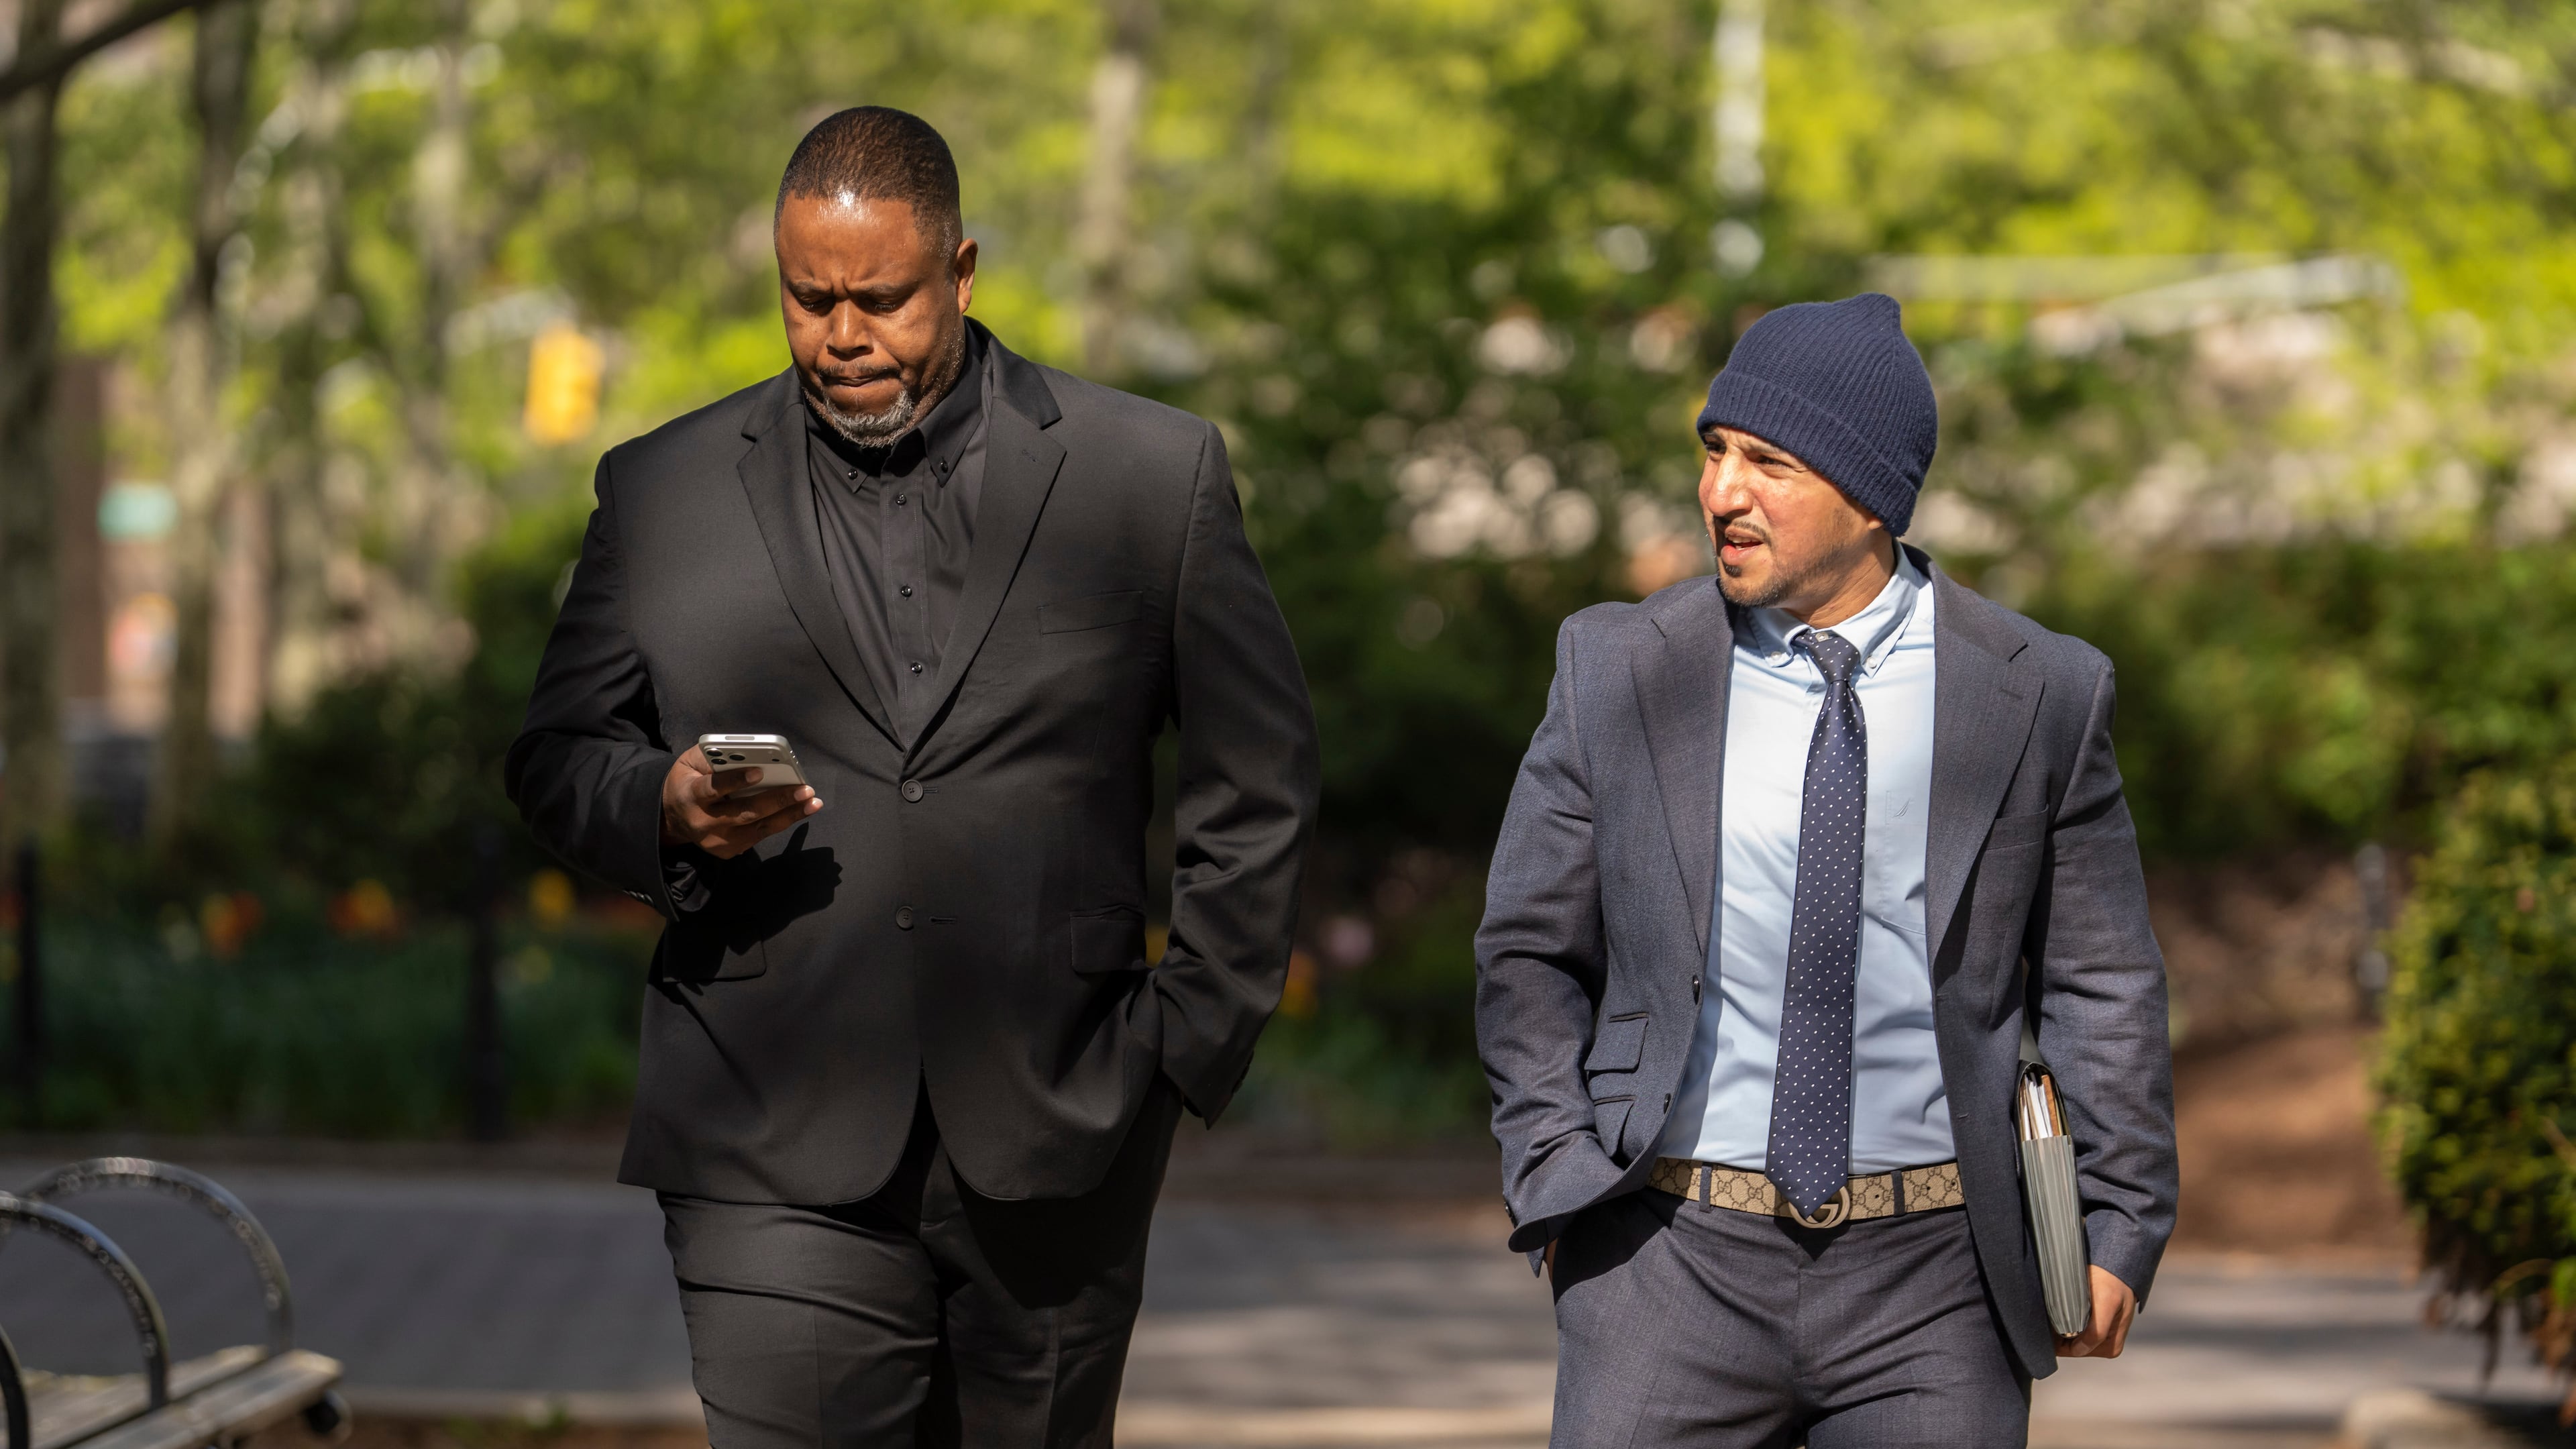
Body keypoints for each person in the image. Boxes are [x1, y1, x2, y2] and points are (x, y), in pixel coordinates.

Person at [506, 106, 1318, 1448]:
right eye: (807, 297)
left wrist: (1188, 1040)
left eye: (878, 297)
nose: (841, 333)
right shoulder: (663, 492)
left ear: (962, 270)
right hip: (765, 1123)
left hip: (1065, 1126)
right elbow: (555, 755)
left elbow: (1259, 770)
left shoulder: (1147, 476)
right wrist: (660, 804)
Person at [1475, 293, 2175, 1448]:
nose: (1721, 493)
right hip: (1664, 1264)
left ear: (1869, 498)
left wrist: (2120, 1222)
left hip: (1938, 1288)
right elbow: (1529, 950)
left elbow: (2104, 982)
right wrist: (1555, 1169)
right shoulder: (1616, 669)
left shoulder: (2041, 690)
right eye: (1713, 452)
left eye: (1767, 462)